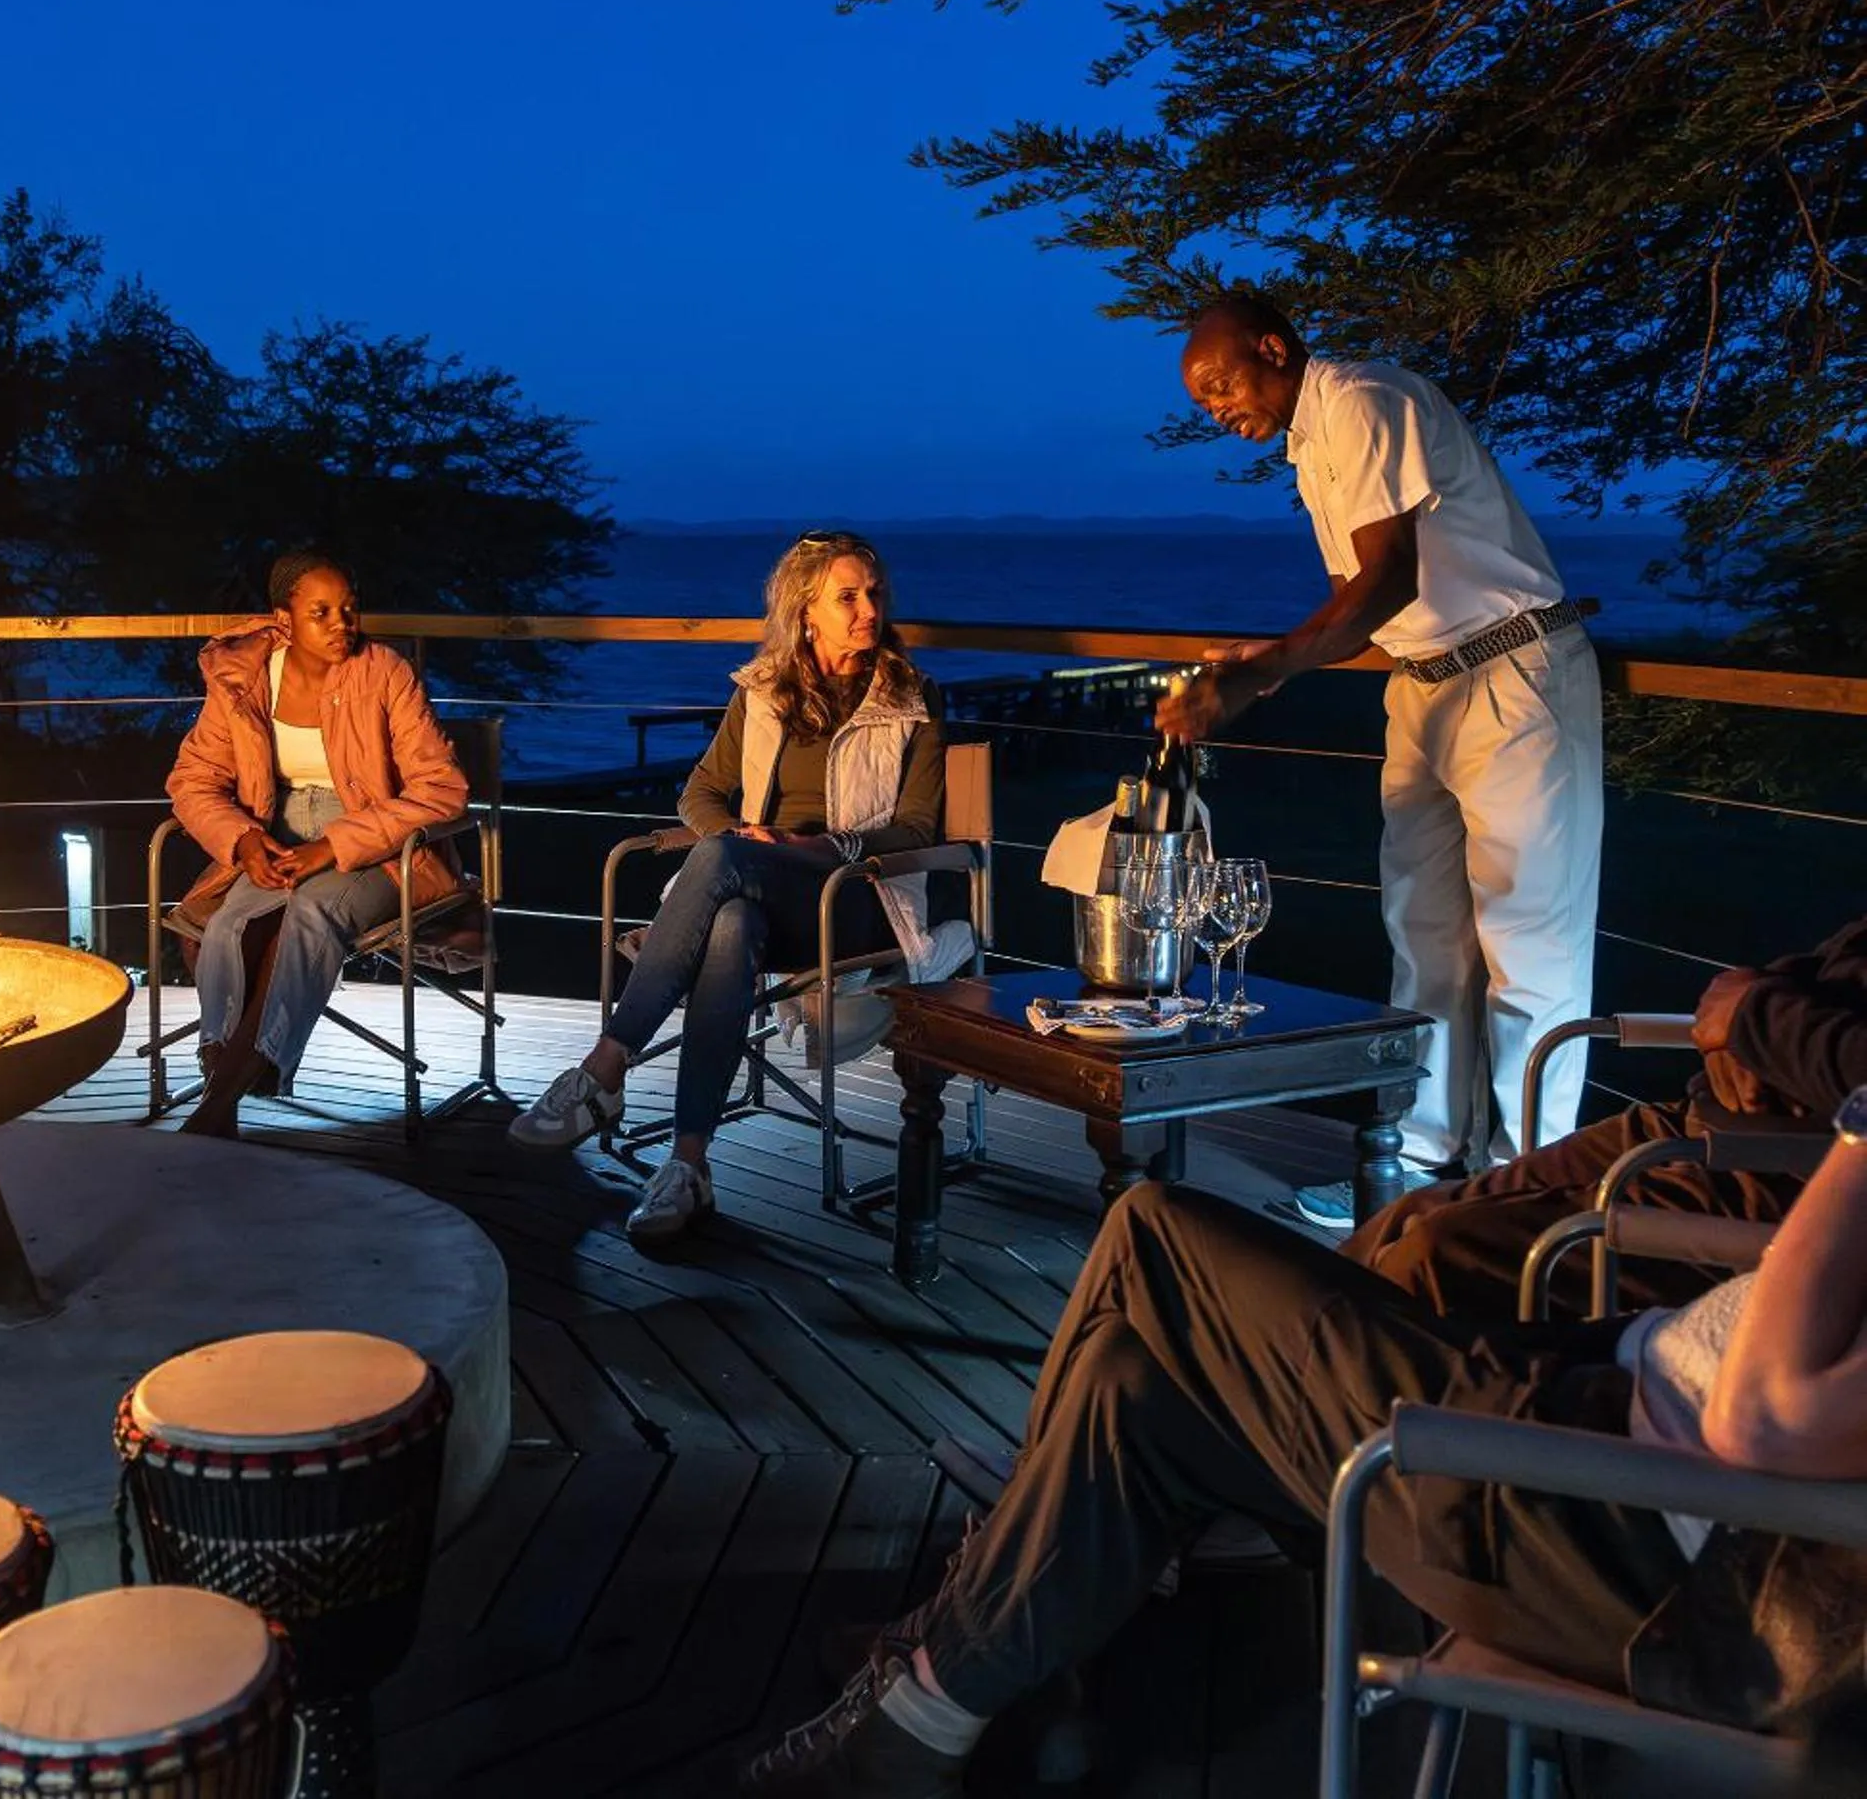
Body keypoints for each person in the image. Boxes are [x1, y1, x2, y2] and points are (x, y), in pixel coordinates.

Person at [739, 1090, 1867, 1796]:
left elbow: (1761, 1415)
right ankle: (948, 1687)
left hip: (1587, 1522)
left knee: (1151, 1231)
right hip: (1581, 1427)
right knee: (1134, 1381)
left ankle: (961, 1644)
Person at [1163, 293, 1603, 1229]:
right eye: (1202, 402)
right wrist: (1269, 659)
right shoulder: (1310, 446)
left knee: (1529, 944)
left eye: (1219, 385)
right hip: (1423, 684)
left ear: (1272, 348)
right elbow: (1357, 603)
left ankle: (1529, 1190)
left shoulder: (1365, 400)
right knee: (1423, 936)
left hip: (1511, 673)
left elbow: (1388, 579)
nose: (1215, 409)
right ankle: (1418, 1159)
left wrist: (1258, 678)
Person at [508, 531, 974, 1247]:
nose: (868, 610)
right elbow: (699, 793)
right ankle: (688, 1167)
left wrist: (818, 847)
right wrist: (740, 839)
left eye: (874, 593)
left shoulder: (910, 697)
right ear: (805, 611)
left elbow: (914, 827)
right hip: (758, 893)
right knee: (730, 923)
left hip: (855, 896)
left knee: (725, 864)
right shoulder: (761, 693)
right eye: (847, 597)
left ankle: (605, 1067)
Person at [1349, 912, 1867, 1319]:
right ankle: (1309, 1380)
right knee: (1412, 1213)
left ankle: (1362, 1406)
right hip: (1698, 1122)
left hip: (1798, 1181)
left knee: (1436, 1254)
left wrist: (1753, 1016)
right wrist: (1751, 997)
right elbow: (1825, 973)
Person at [163, 550, 468, 1138]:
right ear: (284, 619)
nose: (341, 624)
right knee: (229, 925)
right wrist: (242, 840)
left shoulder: (383, 672)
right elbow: (193, 780)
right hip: (273, 833)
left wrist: (332, 846)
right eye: (320, 612)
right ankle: (225, 1082)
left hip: (374, 841)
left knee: (310, 913)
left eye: (349, 609)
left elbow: (442, 788)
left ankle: (216, 1108)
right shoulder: (244, 679)